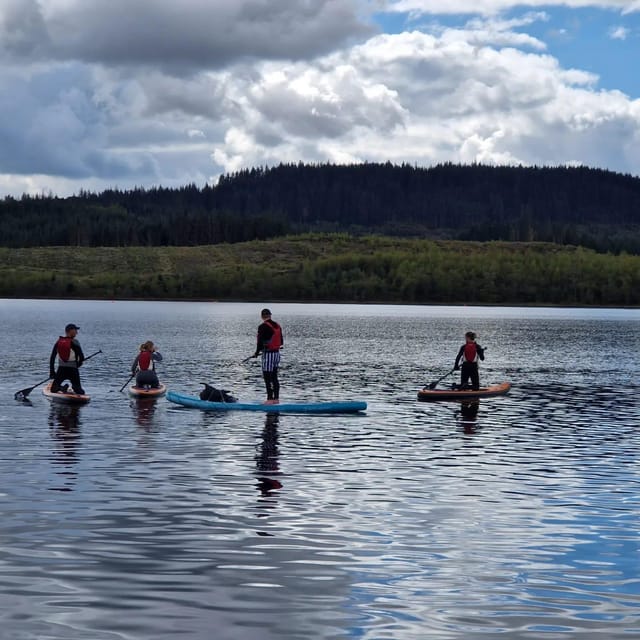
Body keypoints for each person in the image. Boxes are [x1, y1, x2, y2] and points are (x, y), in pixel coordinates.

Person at [253, 308, 283, 404]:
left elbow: (260, 342)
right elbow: (281, 341)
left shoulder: (262, 326)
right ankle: (276, 399)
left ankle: (270, 399)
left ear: (262, 316)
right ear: (270, 315)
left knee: (267, 377)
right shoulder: (277, 325)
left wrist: (257, 352)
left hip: (268, 355)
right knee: (274, 377)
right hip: (277, 354)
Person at [49, 323, 85, 394]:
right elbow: (81, 357)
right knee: (80, 391)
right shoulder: (75, 342)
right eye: (75, 330)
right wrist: (78, 365)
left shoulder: (59, 342)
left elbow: (52, 357)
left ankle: (61, 388)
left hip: (61, 369)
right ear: (70, 331)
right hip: (73, 370)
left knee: (53, 389)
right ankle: (75, 388)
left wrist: (52, 371)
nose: (77, 333)